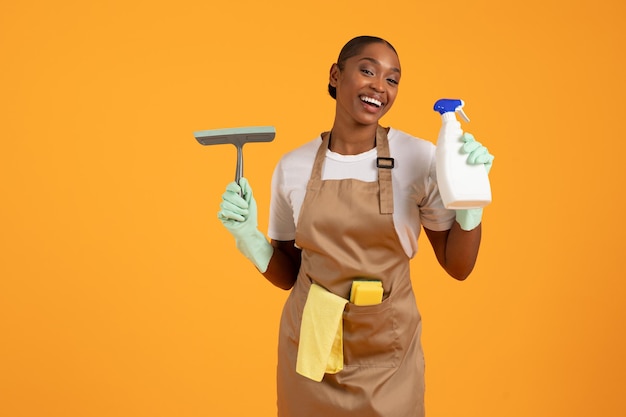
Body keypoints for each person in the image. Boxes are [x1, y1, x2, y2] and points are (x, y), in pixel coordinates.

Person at [217, 35, 494, 417]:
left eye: (392, 79)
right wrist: (249, 237)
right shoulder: (293, 166)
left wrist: (472, 201)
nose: (380, 86)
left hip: (389, 355)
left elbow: (458, 266)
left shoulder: (418, 157)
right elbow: (288, 275)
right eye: (367, 70)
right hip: (310, 352)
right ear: (335, 74)